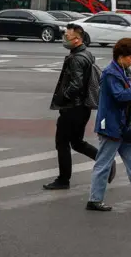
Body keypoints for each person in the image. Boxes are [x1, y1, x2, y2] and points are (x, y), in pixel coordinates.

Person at [86, 37, 131, 212]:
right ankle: (94, 199)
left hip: (124, 126)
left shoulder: (124, 71)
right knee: (104, 163)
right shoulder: (111, 73)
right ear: (121, 56)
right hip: (112, 126)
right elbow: (120, 97)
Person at [45, 23, 114, 190]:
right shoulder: (86, 54)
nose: (64, 39)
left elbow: (76, 84)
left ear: (77, 40)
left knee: (62, 143)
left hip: (72, 109)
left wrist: (64, 97)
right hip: (83, 108)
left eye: (67, 37)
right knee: (77, 143)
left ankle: (63, 180)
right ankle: (107, 163)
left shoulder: (76, 59)